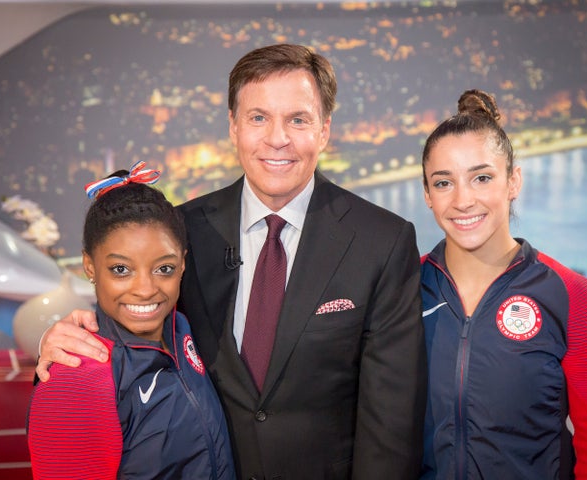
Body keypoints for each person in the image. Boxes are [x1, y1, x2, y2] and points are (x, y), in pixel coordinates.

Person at [36, 44, 427, 479]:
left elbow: (392, 425)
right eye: (258, 117)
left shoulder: (382, 241)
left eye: (298, 119)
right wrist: (63, 345)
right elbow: (137, 320)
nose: (277, 138)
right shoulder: (184, 230)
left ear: (324, 130)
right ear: (233, 126)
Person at [419, 89, 587, 479]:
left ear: (513, 181)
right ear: (428, 195)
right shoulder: (400, 289)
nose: (464, 200)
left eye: (482, 177)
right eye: (444, 183)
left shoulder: (571, 297)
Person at [27, 162, 236, 479]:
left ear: (182, 263)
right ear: (89, 266)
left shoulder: (180, 328)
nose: (145, 290)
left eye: (163, 268)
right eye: (121, 269)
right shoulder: (76, 380)